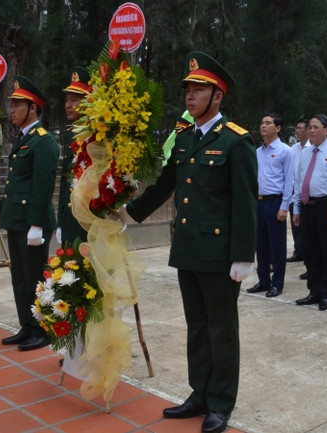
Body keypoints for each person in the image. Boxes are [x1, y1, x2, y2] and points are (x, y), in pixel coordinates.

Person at [119, 52, 257, 433]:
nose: (190, 96)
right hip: (189, 250)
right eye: (188, 90)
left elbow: (245, 204)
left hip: (220, 254)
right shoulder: (183, 137)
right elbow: (165, 185)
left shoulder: (236, 142)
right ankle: (199, 394)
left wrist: (244, 256)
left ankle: (221, 403)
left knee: (221, 330)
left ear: (218, 97)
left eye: (199, 90)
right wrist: (128, 214)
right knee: (197, 326)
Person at [0, 76, 59, 351]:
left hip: (32, 223)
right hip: (17, 221)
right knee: (19, 277)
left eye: (17, 105)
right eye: (11, 105)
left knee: (35, 278)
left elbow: (42, 187)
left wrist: (36, 225)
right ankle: (27, 325)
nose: (11, 110)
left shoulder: (42, 141)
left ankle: (42, 329)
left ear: (32, 108)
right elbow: (17, 185)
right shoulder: (24, 139)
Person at [292, 114, 327, 312]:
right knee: (310, 251)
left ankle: (326, 293)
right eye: (310, 127)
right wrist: (297, 207)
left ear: (326, 130)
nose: (312, 130)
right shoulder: (306, 153)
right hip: (307, 207)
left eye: (316, 127)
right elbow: (299, 182)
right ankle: (313, 290)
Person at [246, 113, 293, 298]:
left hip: (275, 202)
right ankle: (263, 281)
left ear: (278, 128)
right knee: (261, 245)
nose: (263, 126)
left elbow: (290, 180)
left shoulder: (285, 151)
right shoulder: (257, 152)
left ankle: (277, 283)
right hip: (258, 202)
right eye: (262, 122)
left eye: (268, 123)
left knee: (277, 246)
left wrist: (284, 206)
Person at [57, 66, 92, 246]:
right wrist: (60, 222)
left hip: (91, 218)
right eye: (67, 100)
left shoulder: (98, 133)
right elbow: (65, 181)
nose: (68, 105)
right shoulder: (71, 134)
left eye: (74, 100)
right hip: (70, 216)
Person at [287, 118, 310, 263]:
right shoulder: (293, 149)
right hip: (293, 191)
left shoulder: (312, 148)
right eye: (297, 128)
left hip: (308, 192)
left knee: (307, 226)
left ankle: (308, 252)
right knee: (295, 223)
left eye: (301, 128)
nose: (298, 131)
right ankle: (298, 251)